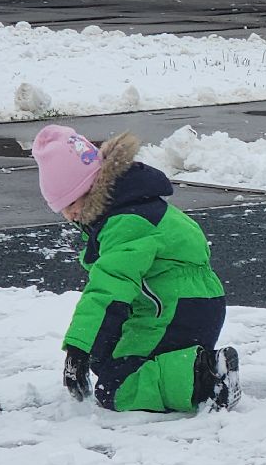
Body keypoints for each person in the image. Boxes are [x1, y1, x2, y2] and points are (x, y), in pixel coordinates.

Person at [31, 123, 240, 413]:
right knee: (106, 360)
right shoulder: (129, 206)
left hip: (180, 308)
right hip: (179, 301)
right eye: (62, 210)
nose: (70, 215)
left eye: (71, 203)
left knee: (116, 387)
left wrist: (78, 348)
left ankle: (206, 377)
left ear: (90, 188)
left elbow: (109, 287)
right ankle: (191, 367)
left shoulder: (127, 222)